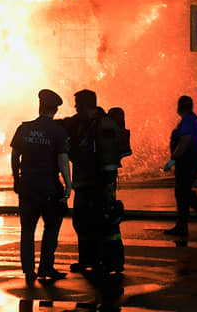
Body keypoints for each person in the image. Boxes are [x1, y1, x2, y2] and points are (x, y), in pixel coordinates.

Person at [10, 89, 72, 285]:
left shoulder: (24, 129)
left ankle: (29, 271)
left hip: (27, 186)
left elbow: (14, 156)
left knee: (27, 230)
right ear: (55, 110)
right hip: (49, 188)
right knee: (51, 227)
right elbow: (63, 160)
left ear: (40, 106)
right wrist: (69, 184)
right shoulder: (58, 132)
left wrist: (16, 179)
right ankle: (46, 267)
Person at [59, 89, 121, 273]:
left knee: (106, 224)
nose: (75, 107)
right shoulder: (79, 123)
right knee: (82, 223)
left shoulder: (104, 124)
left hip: (101, 184)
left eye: (77, 104)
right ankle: (88, 260)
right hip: (83, 185)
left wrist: (109, 186)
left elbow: (109, 156)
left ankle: (112, 262)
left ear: (86, 105)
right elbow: (62, 125)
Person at [163, 95, 197, 236]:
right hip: (190, 160)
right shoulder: (193, 120)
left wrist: (173, 159)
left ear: (180, 107)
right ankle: (183, 225)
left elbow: (184, 142)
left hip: (188, 161)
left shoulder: (187, 121)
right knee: (181, 193)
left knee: (183, 192)